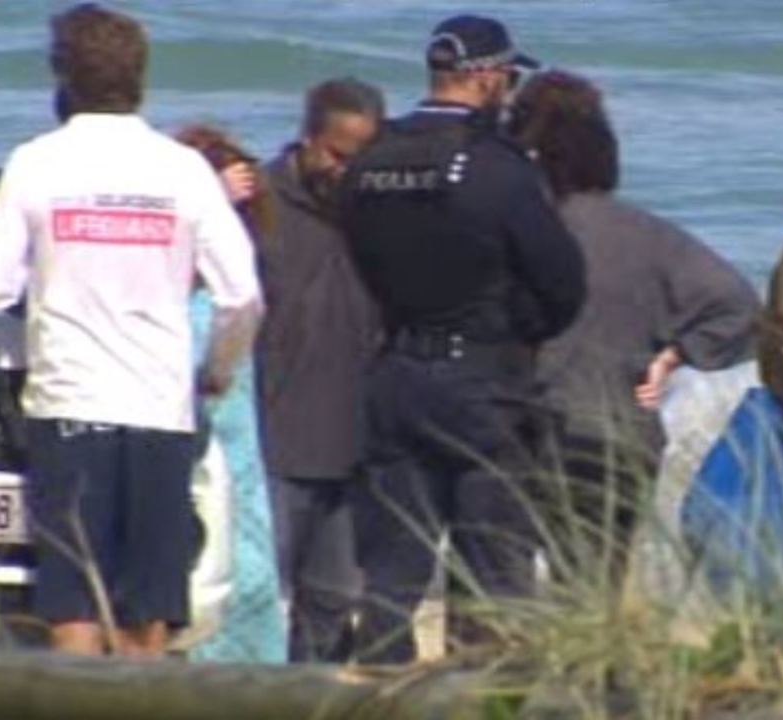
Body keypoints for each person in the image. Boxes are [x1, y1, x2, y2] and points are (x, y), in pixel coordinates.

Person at [0, 4, 262, 658]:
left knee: (74, 605)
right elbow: (243, 296)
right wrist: (218, 372)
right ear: (139, 78)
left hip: (71, 404)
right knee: (150, 613)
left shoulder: (38, 162)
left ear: (63, 79)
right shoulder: (182, 170)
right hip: (159, 407)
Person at [338, 15, 586, 663]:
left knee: (392, 575)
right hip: (482, 382)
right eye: (506, 75)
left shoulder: (371, 162)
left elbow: (359, 260)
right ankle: (487, 701)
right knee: (493, 576)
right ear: (486, 76)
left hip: (395, 373)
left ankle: (378, 702)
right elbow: (562, 282)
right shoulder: (496, 167)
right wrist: (518, 330)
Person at [506, 70, 761, 589]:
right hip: (617, 433)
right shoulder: (649, 236)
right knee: (593, 591)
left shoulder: (513, 232)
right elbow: (740, 307)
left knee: (501, 587)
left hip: (522, 429)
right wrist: (678, 354)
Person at [255, 78, 384, 663]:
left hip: (357, 441)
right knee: (256, 592)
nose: (345, 171)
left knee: (332, 602)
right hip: (272, 438)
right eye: (336, 154)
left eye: (360, 160)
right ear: (307, 138)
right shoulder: (257, 202)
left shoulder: (382, 212)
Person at [175, 124, 286, 664]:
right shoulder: (178, 293)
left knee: (246, 576)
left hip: (232, 446)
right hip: (203, 445)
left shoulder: (224, 289)